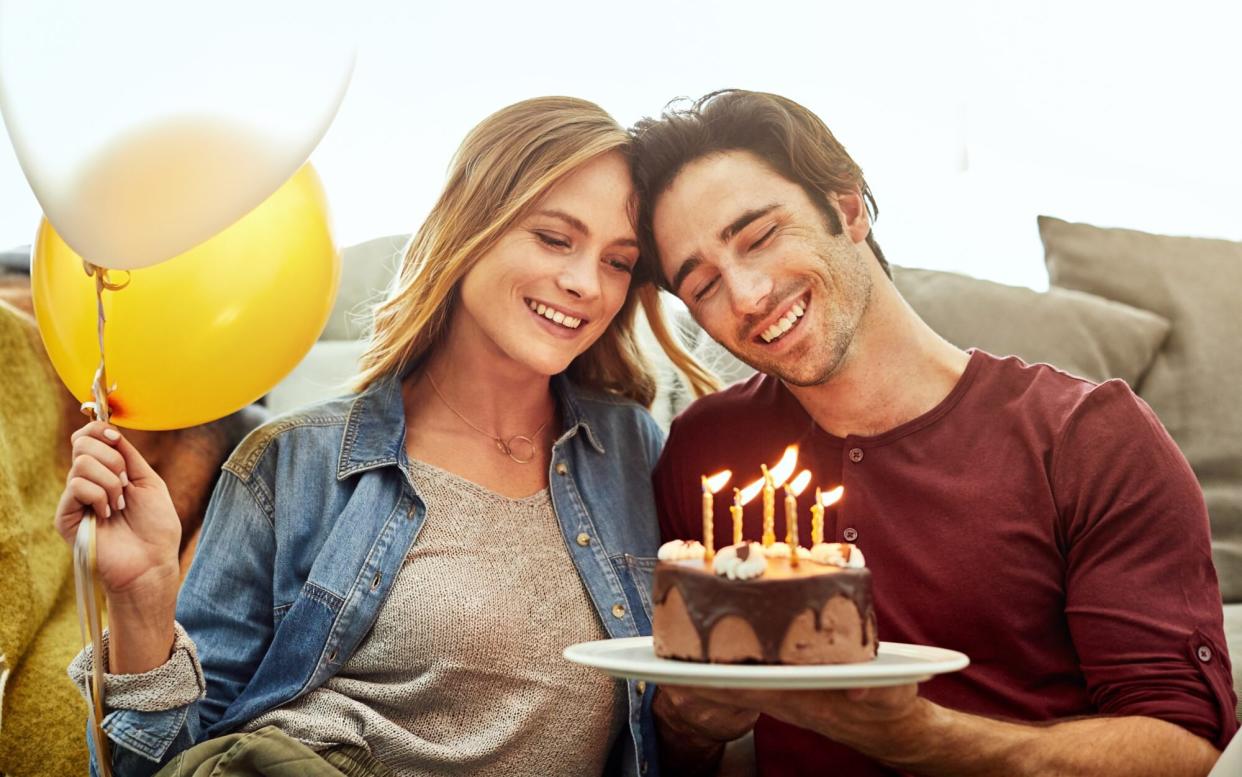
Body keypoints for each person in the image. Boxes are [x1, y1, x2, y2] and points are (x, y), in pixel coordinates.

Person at [56, 96, 715, 777]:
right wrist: (144, 598)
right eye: (553, 238)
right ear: (470, 227)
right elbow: (160, 763)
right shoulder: (291, 464)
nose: (584, 283)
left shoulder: (633, 449)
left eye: (617, 261)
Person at [630, 89, 1237, 776]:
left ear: (848, 207)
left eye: (762, 236)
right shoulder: (704, 453)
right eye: (702, 283)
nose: (745, 295)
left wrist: (920, 736)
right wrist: (687, 727)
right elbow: (678, 745)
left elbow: (1183, 750)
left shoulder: (1088, 437)